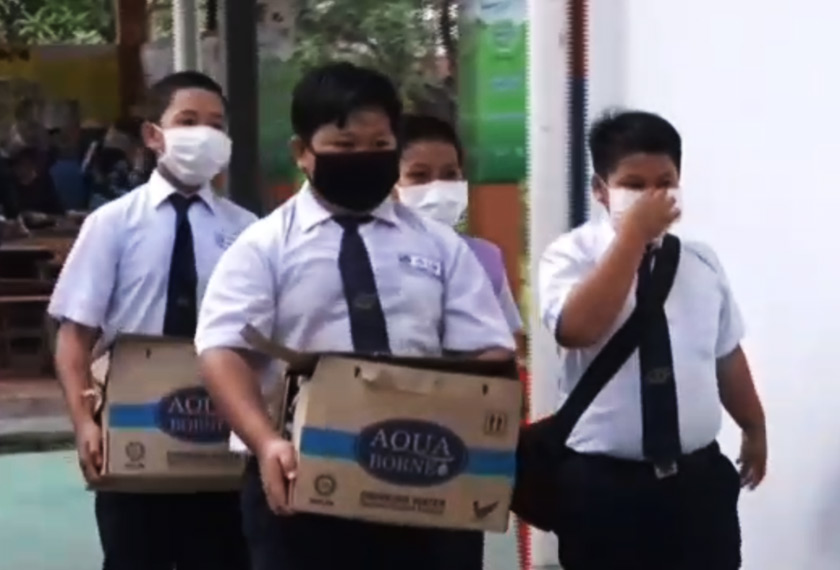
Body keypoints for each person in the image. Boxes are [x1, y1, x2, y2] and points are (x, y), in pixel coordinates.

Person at [194, 61, 516, 570]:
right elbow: (222, 352)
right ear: (303, 153)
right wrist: (265, 441)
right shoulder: (263, 247)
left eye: (379, 145)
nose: (364, 158)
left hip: (428, 478)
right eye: (344, 147)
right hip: (302, 482)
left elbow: (489, 348)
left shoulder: (441, 247)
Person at [538, 109, 767, 570]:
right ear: (601, 190)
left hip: (696, 483)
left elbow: (725, 353)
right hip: (605, 487)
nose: (651, 197)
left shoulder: (701, 262)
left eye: (664, 182)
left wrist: (754, 425)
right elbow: (578, 328)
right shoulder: (570, 256)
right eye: (633, 185)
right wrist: (633, 239)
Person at [48, 70, 255, 570]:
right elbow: (75, 336)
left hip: (219, 436)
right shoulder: (113, 224)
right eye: (188, 121)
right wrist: (84, 424)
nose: (203, 134)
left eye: (216, 124)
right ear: (153, 135)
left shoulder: (246, 230)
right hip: (134, 431)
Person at [395, 113, 526, 358]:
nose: (437, 188)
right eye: (419, 176)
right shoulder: (371, 251)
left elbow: (509, 342)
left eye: (449, 175)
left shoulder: (485, 256)